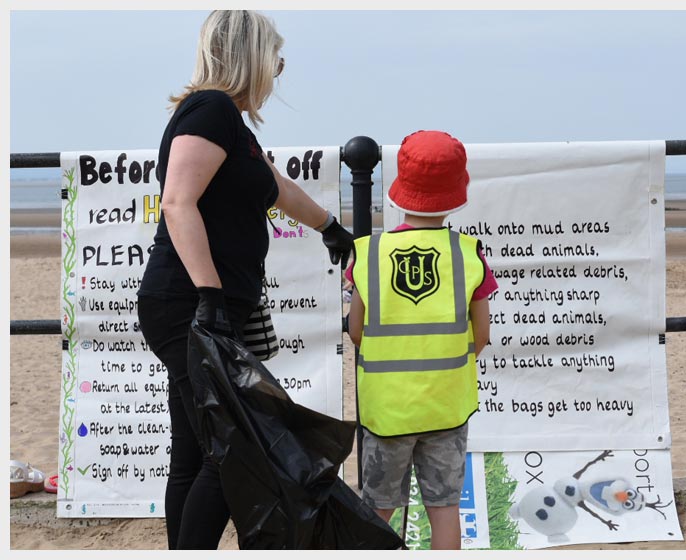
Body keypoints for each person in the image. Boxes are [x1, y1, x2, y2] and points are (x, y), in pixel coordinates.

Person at [136, 10, 353, 550]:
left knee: (194, 449)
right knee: (230, 449)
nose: (280, 66)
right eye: (275, 53)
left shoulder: (231, 123)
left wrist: (329, 225)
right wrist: (210, 296)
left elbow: (276, 187)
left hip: (202, 304)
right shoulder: (209, 110)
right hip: (190, 304)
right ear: (250, 55)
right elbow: (176, 202)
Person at [346, 130, 498, 550]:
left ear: (399, 192)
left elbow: (356, 330)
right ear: (458, 192)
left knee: (376, 509)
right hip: (446, 406)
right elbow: (480, 334)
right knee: (445, 509)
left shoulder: (369, 253)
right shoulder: (469, 254)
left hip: (387, 410)